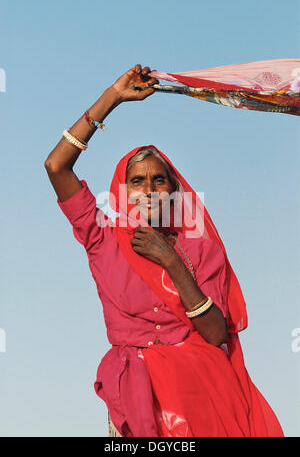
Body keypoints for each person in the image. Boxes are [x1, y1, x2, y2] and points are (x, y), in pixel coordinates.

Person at [44, 64, 284, 437]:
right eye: (137, 181)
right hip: (138, 395)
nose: (150, 189)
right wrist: (113, 98)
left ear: (174, 190)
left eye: (159, 180)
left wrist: (171, 260)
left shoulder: (200, 251)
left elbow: (216, 333)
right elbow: (56, 166)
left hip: (205, 395)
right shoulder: (101, 236)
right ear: (123, 191)